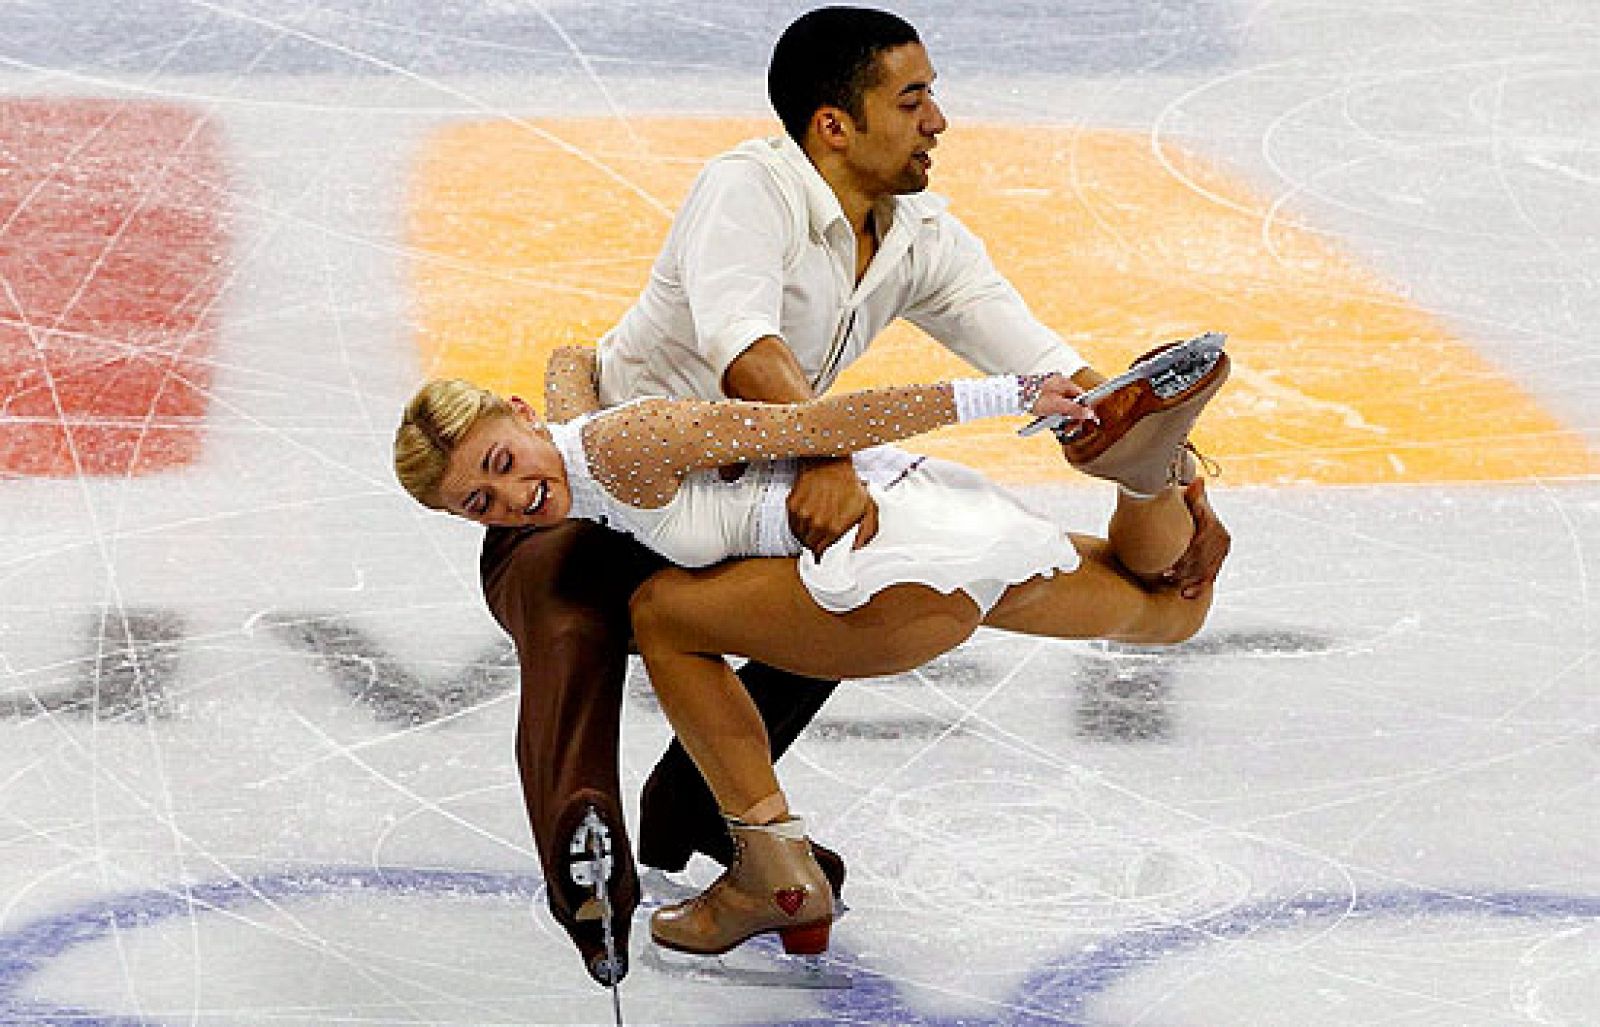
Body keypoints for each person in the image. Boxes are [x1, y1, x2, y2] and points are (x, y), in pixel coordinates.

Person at [473, 4, 1231, 984]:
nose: (937, 121)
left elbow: (1058, 373)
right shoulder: (747, 188)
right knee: (586, 628)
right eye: (912, 100)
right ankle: (589, 864)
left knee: (834, 569)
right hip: (605, 498)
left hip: (746, 500)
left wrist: (1181, 472)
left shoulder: (918, 235)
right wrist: (822, 453)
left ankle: (720, 825)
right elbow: (742, 346)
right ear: (834, 124)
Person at [396, 330, 1230, 959]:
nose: (514, 497)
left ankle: (775, 874)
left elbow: (821, 422)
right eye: (480, 502)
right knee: (1165, 608)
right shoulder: (575, 442)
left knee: (662, 615)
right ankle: (1149, 476)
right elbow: (569, 365)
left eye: (503, 462)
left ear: (520, 414)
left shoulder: (628, 441)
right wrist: (568, 381)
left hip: (878, 577)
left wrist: (1011, 393)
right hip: (927, 525)